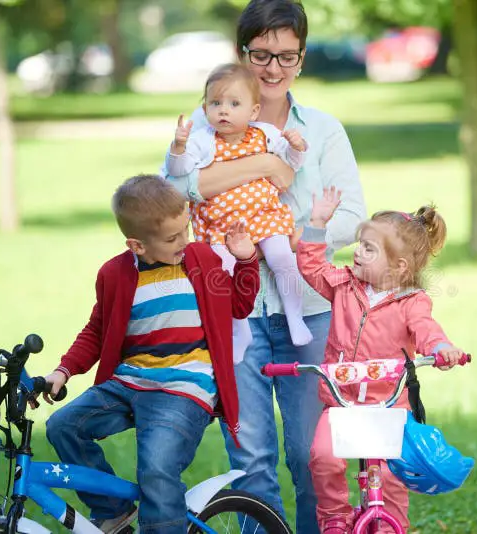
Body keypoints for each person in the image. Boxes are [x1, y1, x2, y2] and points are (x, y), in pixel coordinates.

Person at [161, 1, 366, 532]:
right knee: (250, 465)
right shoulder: (209, 122)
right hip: (235, 314)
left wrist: (300, 234)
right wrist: (263, 165)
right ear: (241, 52)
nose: (274, 69)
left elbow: (353, 216)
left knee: (311, 459)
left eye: (287, 56)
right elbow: (172, 192)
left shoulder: (321, 131)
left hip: (312, 312)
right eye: (261, 55)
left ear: (302, 57)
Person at [40, 174, 260, 533]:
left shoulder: (201, 261)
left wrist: (247, 260)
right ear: (137, 245)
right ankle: (112, 510)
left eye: (185, 230)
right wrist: (63, 371)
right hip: (130, 381)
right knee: (63, 426)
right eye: (173, 238)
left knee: (157, 467)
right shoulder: (115, 275)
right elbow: (97, 330)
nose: (184, 242)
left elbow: (239, 304)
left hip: (185, 386)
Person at [297, 188, 467, 533]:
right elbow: (311, 266)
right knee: (321, 456)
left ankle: (390, 528)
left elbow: (426, 330)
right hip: (342, 404)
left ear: (398, 266)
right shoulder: (344, 285)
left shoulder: (412, 301)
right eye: (360, 243)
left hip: (388, 409)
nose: (357, 252)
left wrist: (441, 348)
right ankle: (335, 519)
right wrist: (317, 223)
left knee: (388, 481)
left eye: (369, 248)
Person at [166, 63, 313, 364]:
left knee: (282, 257)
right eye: (215, 103)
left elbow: (291, 165)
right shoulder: (203, 141)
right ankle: (240, 330)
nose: (224, 111)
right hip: (223, 226)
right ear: (205, 107)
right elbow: (178, 173)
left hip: (265, 216)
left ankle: (295, 317)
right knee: (226, 275)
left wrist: (297, 148)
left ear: (254, 110)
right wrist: (178, 148)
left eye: (234, 104)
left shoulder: (266, 135)